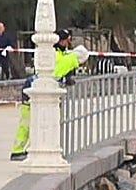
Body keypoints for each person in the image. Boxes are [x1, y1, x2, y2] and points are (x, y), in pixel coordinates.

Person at [9, 31, 87, 160]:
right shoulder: (67, 58)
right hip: (35, 87)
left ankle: (26, 149)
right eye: (67, 40)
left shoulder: (57, 54)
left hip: (35, 86)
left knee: (34, 122)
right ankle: (18, 151)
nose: (68, 43)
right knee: (28, 123)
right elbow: (62, 69)